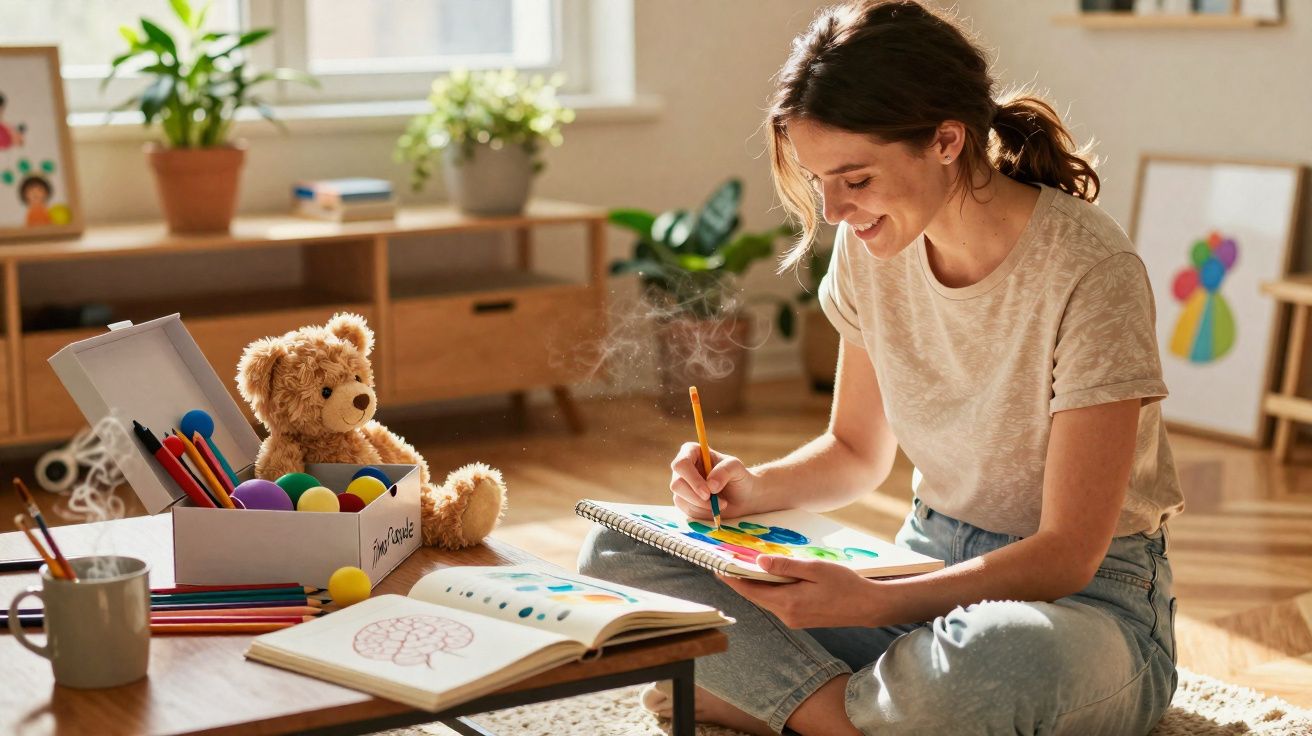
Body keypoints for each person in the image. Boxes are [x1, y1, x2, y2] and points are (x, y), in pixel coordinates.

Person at [577, 1, 1184, 734]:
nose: (833, 210)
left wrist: (872, 605)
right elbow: (856, 452)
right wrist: (753, 487)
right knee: (619, 550)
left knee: (992, 661)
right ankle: (866, 713)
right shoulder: (874, 250)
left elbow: (1065, 557)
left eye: (855, 179)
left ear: (946, 140)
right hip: (919, 573)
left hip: (1085, 609)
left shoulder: (1092, 271)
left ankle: (794, 705)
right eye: (817, 179)